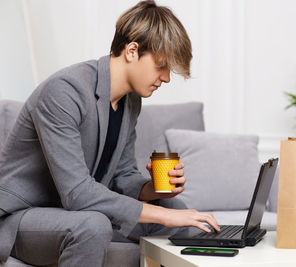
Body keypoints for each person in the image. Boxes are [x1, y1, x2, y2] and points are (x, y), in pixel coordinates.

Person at [0, 1, 220, 266]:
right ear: (132, 50)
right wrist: (161, 217)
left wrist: (154, 189)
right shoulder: (65, 91)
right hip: (24, 217)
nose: (166, 78)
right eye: (161, 65)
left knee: (179, 212)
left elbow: (122, 177)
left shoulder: (130, 101)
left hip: (79, 212)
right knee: (93, 225)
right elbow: (77, 193)